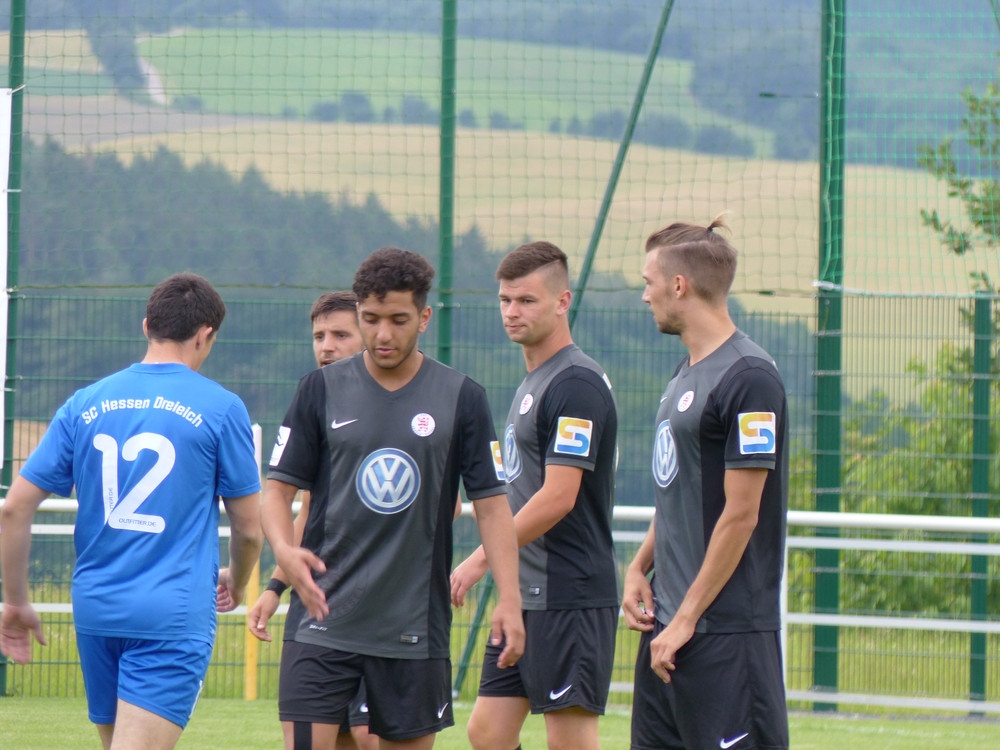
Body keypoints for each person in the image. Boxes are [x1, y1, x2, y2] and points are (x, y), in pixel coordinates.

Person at [261, 246, 525, 750]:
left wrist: (509, 601)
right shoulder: (318, 390)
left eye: (398, 320)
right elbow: (277, 492)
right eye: (371, 319)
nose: (383, 334)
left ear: (423, 318)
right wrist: (283, 552)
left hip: (413, 631)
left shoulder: (462, 397)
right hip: (321, 621)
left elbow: (492, 508)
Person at [0, 272, 263, 750]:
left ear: (147, 326)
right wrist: (239, 580)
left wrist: (15, 600)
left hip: (96, 608)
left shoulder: (84, 404)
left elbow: (14, 509)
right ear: (205, 335)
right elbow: (248, 530)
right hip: (171, 614)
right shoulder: (222, 408)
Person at [622, 217, 789, 750]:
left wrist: (687, 619)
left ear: (679, 285)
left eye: (648, 282)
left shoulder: (749, 377)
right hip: (669, 630)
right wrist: (639, 566)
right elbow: (679, 490)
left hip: (723, 635)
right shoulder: (684, 373)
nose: (644, 296)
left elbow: (741, 514)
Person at [451, 241, 620, 750]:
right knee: (487, 732)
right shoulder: (535, 381)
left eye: (526, 300)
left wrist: (481, 557)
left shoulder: (575, 383)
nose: (512, 311)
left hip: (569, 592)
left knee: (569, 738)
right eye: (505, 300)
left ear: (562, 301)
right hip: (524, 593)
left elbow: (558, 496)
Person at [247, 291, 377, 750]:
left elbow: (450, 505)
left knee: (369, 736)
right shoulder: (316, 400)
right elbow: (305, 511)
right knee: (325, 737)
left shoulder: (402, 405)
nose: (327, 346)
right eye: (319, 336)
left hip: (385, 606)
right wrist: (275, 586)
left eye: (340, 335)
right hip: (322, 600)